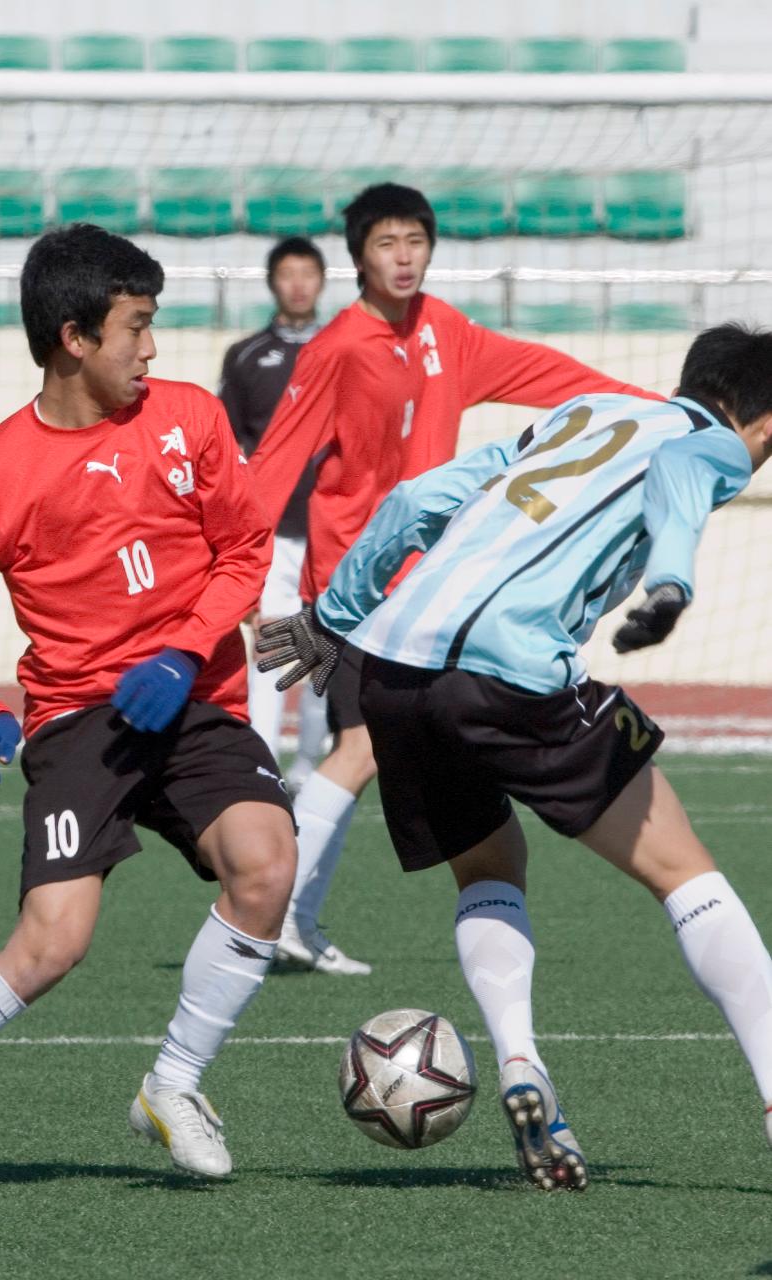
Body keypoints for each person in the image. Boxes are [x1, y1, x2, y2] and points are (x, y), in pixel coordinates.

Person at [258, 322, 772, 1188]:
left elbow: (416, 498)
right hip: (507, 674)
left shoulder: (580, 413)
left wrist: (334, 613)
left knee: (491, 863)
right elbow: (684, 480)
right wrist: (670, 586)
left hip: (392, 666)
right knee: (685, 871)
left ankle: (522, 1064)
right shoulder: (713, 443)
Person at [0, 223, 297, 1180]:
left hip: (194, 694)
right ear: (74, 337)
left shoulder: (192, 419)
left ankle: (172, 1085)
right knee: (52, 944)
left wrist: (179, 651)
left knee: (264, 866)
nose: (153, 348)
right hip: (78, 716)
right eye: (136, 327)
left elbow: (244, 552)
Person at [249, 180, 661, 976]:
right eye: (385, 245)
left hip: (430, 590)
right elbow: (270, 469)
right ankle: (272, 911)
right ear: (359, 258)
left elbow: (545, 371)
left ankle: (283, 916)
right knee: (361, 746)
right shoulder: (333, 348)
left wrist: (657, 413)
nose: (403, 258)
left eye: (415, 242)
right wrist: (235, 584)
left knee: (380, 748)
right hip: (350, 588)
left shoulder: (445, 331)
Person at [218, 236, 329, 795]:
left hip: (334, 531)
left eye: (308, 273)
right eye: (288, 273)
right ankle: (262, 764)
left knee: (322, 648)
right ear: (273, 282)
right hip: (271, 534)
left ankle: (310, 766)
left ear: (322, 280)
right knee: (268, 645)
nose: (298, 284)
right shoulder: (244, 356)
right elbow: (227, 449)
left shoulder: (344, 350)